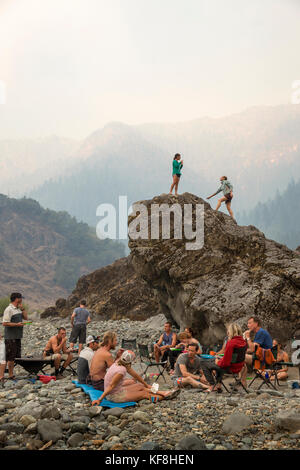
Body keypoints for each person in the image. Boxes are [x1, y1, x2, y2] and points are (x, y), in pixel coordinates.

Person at [91, 350, 180, 405]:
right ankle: (165, 396)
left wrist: (146, 385)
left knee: (141, 386)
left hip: (118, 390)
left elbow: (135, 375)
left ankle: (163, 392)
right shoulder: (121, 371)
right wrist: (99, 399)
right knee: (144, 394)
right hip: (114, 396)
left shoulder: (119, 362)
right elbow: (111, 386)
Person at [201, 323, 248, 392]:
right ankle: (219, 385)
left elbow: (225, 363)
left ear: (230, 332)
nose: (227, 332)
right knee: (215, 361)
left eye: (228, 331)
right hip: (239, 367)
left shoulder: (231, 343)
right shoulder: (243, 342)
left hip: (230, 369)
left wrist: (218, 361)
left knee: (203, 362)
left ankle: (212, 385)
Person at [2, 293, 28, 380]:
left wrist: (23, 309)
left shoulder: (18, 309)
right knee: (9, 356)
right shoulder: (9, 309)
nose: (22, 299)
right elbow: (5, 323)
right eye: (21, 298)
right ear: (17, 299)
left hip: (17, 336)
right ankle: (8, 375)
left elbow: (26, 318)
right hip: (10, 337)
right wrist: (17, 324)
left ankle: (10, 374)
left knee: (14, 356)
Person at [240, 316, 273, 384]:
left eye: (249, 323)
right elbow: (253, 349)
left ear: (256, 324)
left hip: (265, 358)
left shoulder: (261, 332)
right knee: (241, 355)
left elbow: (252, 349)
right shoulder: (259, 333)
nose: (248, 325)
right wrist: (242, 350)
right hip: (261, 356)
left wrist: (248, 337)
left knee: (240, 357)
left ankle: (242, 382)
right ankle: (241, 381)